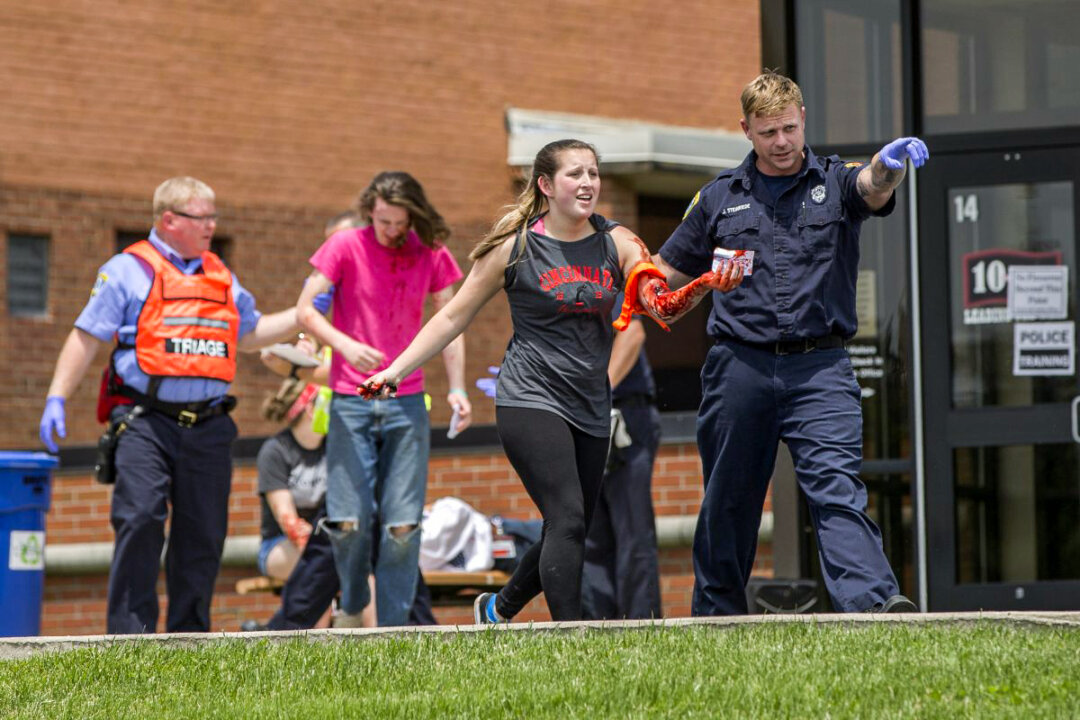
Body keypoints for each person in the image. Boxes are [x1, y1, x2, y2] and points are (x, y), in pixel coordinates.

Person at [360, 139, 742, 623]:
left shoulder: (618, 242)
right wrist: (395, 369)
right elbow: (452, 316)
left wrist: (708, 283)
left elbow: (659, 307)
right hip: (529, 397)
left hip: (590, 402)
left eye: (593, 173)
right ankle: (569, 638)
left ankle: (497, 609)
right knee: (568, 517)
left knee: (569, 528)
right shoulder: (515, 247)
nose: (588, 183)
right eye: (575, 174)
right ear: (545, 185)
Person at [654, 71, 929, 615]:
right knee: (729, 500)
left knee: (835, 488)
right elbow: (662, 273)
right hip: (738, 367)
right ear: (746, 131)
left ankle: (875, 608)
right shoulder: (716, 199)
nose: (780, 142)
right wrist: (674, 287)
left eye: (788, 128)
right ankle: (717, 618)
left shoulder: (833, 181)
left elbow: (869, 188)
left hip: (819, 368)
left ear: (803, 120)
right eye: (766, 132)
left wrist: (887, 169)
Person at [37, 176, 313, 634]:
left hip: (208, 425)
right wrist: (56, 397)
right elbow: (86, 336)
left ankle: (190, 637)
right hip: (145, 421)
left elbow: (250, 333)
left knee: (203, 533)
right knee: (141, 517)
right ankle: (130, 638)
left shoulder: (219, 274)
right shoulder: (126, 270)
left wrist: (304, 313)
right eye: (201, 217)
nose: (211, 226)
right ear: (169, 220)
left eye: (213, 216)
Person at [296, 172, 473, 627]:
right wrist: (344, 345)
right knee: (349, 522)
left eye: (399, 222)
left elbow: (450, 321)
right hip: (350, 401)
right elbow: (304, 310)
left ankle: (395, 631)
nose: (390, 230)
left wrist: (456, 387)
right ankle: (353, 605)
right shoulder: (345, 246)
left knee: (402, 527)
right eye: (382, 220)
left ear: (413, 215)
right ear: (369, 212)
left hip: (406, 401)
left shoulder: (430, 252)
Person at [581, 310, 663, 620]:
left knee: (632, 535)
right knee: (591, 539)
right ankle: (601, 632)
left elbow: (633, 334)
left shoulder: (604, 270)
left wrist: (599, 394)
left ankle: (642, 630)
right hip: (586, 419)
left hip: (625, 416)